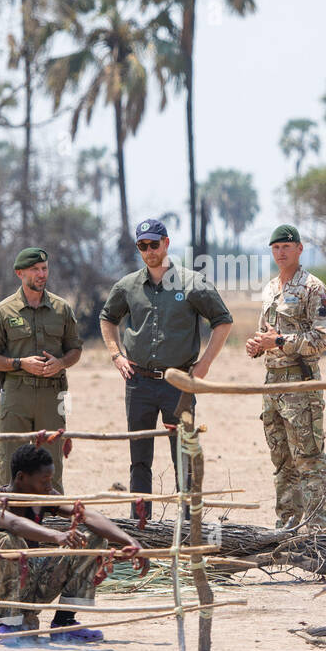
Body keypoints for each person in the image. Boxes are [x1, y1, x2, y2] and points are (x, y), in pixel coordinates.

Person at [100, 218, 233, 517]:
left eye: (154, 244)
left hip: (179, 383)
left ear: (167, 243)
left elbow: (223, 321)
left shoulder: (192, 283)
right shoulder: (128, 286)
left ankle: (186, 527)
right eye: (142, 246)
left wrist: (204, 365)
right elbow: (107, 318)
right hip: (139, 383)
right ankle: (141, 526)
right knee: (139, 458)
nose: (149, 251)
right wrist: (116, 355)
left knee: (183, 455)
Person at [0, 444, 149, 642]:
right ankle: (7, 625)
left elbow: (86, 514)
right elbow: (14, 523)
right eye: (45, 481)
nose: (50, 487)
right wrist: (55, 536)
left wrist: (130, 540)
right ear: (21, 478)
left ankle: (65, 623)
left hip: (34, 584)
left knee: (93, 536)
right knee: (7, 540)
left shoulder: (44, 496)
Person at [245, 224, 326, 530]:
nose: (280, 252)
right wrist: (258, 346)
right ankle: (287, 526)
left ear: (299, 249)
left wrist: (281, 341)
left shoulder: (313, 288)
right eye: (275, 248)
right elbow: (266, 333)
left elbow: (324, 338)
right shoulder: (271, 289)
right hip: (272, 383)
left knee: (309, 458)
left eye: (286, 246)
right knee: (282, 462)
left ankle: (319, 531)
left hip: (301, 383)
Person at [0, 247, 82, 493]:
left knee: (51, 463)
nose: (41, 274)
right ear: (20, 273)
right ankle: (7, 519)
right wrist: (20, 363)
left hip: (53, 395)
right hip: (17, 394)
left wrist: (61, 363)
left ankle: (53, 521)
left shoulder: (61, 309)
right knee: (9, 462)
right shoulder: (3, 311)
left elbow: (75, 349)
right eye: (34, 269)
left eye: (44, 269)